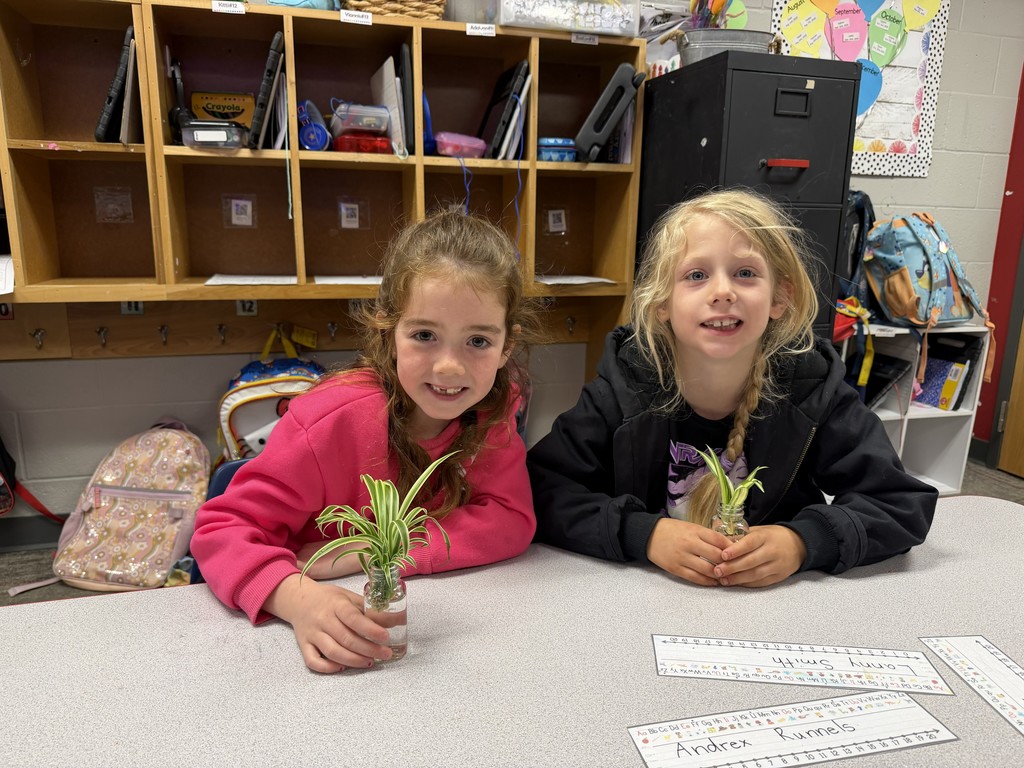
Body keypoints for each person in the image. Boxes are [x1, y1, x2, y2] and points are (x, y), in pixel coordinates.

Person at [527, 189, 936, 588]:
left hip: (775, 611)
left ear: (780, 297)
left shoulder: (811, 389)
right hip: (647, 602)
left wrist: (803, 543)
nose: (722, 292)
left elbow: (900, 504)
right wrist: (645, 535)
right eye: (696, 275)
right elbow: (544, 491)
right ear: (661, 303)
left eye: (745, 273)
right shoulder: (625, 387)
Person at [192, 208, 540, 673]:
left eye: (478, 341)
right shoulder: (331, 420)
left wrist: (374, 555)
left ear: (506, 348)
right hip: (292, 644)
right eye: (424, 335)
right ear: (388, 330)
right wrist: (296, 600)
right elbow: (221, 532)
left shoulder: (492, 414)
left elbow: (511, 519)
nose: (449, 368)